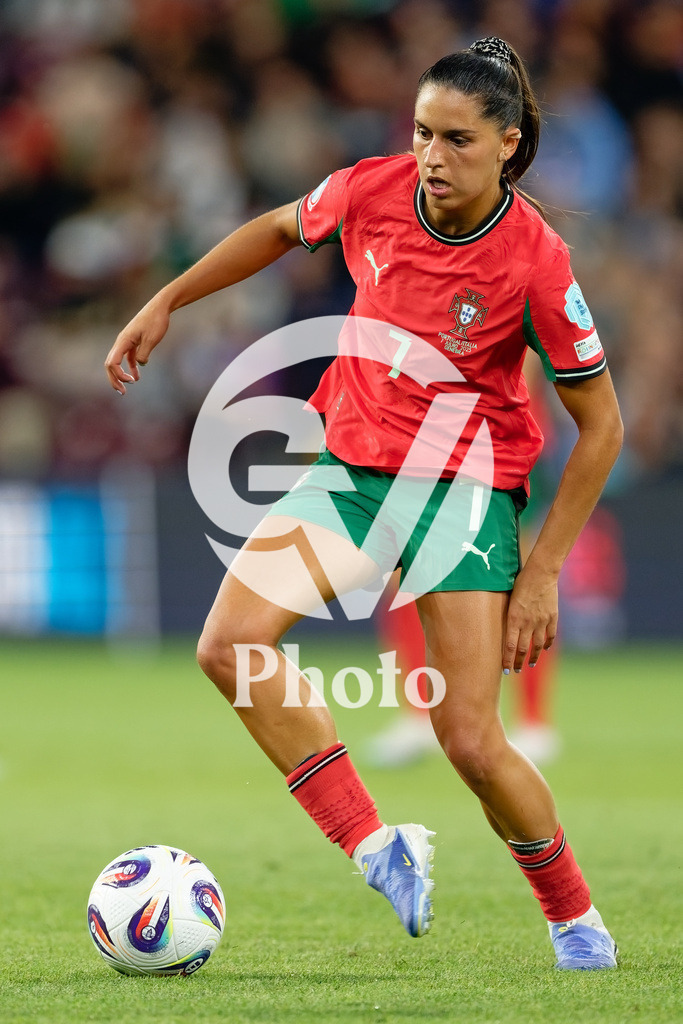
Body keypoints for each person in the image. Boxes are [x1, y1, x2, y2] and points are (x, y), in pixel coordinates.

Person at [105, 37, 623, 969]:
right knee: (228, 647)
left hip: (462, 495)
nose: (432, 156)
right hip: (350, 473)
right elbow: (272, 229)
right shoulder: (371, 188)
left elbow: (603, 427)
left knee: (466, 740)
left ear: (508, 143)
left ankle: (574, 919)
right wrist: (168, 300)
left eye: (458, 139)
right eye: (422, 132)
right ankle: (375, 846)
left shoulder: (536, 262)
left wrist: (541, 573)